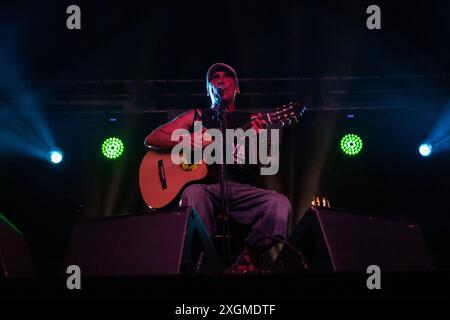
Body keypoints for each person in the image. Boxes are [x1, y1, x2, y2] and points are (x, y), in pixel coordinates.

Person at [145, 63, 292, 273]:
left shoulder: (251, 121)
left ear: (237, 87)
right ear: (208, 89)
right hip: (205, 188)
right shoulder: (196, 116)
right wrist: (186, 141)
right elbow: (152, 138)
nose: (221, 79)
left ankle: (246, 260)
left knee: (280, 204)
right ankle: (205, 262)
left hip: (240, 188)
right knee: (193, 193)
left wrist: (258, 142)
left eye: (227, 76)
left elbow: (262, 167)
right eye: (214, 77)